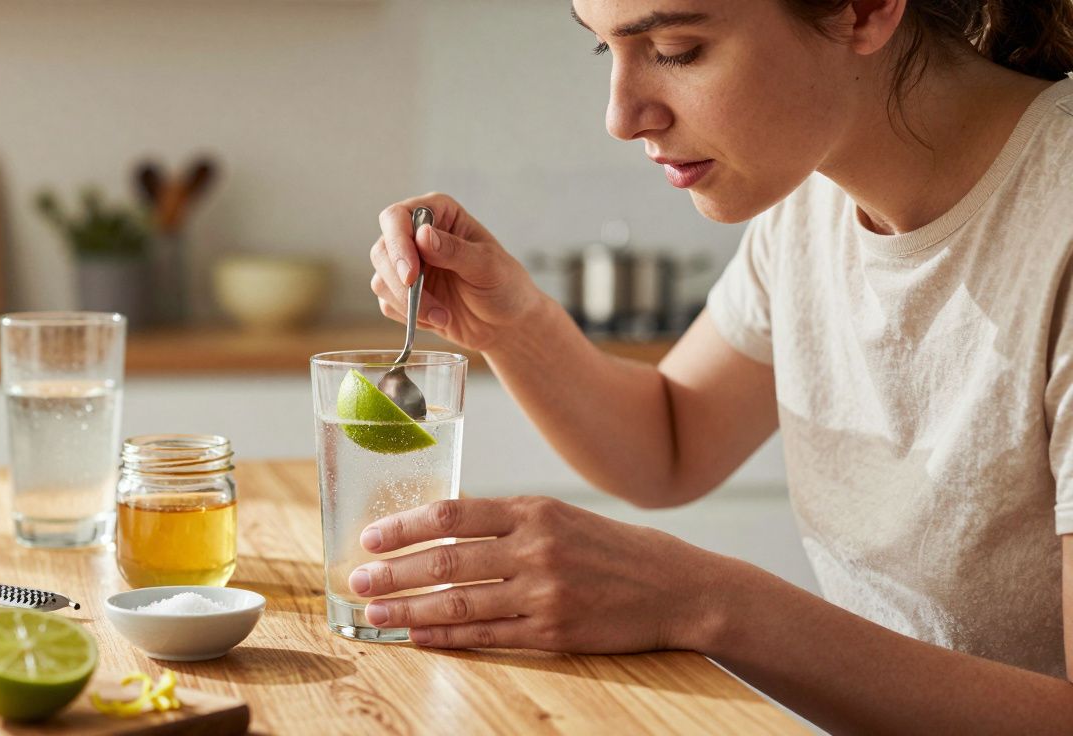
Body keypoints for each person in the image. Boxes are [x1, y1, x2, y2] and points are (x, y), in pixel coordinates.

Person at [354, 0, 1073, 732]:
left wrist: (702, 602)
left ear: (862, 10)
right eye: (608, 52)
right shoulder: (812, 198)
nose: (621, 117)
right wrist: (511, 323)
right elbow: (670, 441)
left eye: (676, 50)